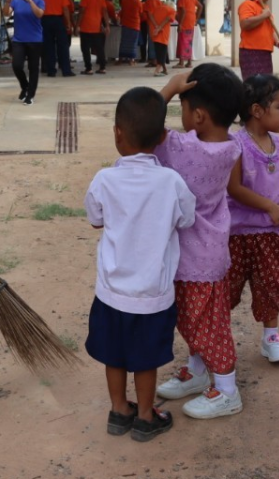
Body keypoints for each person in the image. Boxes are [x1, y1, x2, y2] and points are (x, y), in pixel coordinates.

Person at [84, 87, 196, 442]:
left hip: (112, 291)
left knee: (113, 354)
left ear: (117, 132)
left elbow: (95, 219)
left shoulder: (104, 179)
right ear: (163, 137)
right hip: (153, 294)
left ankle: (119, 411)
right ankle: (147, 416)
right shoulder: (171, 182)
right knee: (146, 359)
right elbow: (187, 219)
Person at [153, 65, 245, 419]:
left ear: (199, 115)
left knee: (205, 326)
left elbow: (143, 125)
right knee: (200, 320)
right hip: (209, 252)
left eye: (183, 108)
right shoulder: (230, 146)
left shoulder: (182, 149)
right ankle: (198, 370)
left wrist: (169, 88)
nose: (179, 114)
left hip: (193, 259)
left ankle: (226, 389)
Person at [226, 74, 279, 364]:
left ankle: (271, 336)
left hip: (268, 235)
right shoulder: (236, 144)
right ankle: (217, 334)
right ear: (257, 110)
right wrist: (269, 208)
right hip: (235, 235)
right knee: (227, 288)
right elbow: (233, 188)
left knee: (270, 284)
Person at [2, 0, 45, 104]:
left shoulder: (39, 1)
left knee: (33, 68)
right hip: (19, 40)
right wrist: (8, 1)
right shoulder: (16, 1)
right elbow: (6, 13)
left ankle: (30, 95)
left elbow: (39, 14)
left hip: (35, 40)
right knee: (16, 66)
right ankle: (25, 86)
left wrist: (30, 1)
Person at [237, 0, 279, 80]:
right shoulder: (247, 4)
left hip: (265, 52)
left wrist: (278, 42)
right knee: (253, 85)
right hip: (251, 52)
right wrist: (263, 16)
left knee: (266, 85)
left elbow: (269, 29)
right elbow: (244, 23)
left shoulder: (265, 8)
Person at [38, 0, 74, 78]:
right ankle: (66, 71)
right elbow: (66, 9)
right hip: (58, 20)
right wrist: (68, 23)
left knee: (48, 46)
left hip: (45, 21)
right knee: (63, 46)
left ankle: (51, 71)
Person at [77, 0, 110, 74]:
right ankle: (102, 67)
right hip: (97, 27)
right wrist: (107, 25)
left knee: (85, 48)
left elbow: (82, 11)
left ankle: (89, 68)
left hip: (86, 27)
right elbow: (104, 12)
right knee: (99, 48)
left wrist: (77, 25)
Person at [174, 0, 202, 69]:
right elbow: (200, 6)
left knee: (182, 41)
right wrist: (196, 18)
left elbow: (183, 11)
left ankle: (181, 62)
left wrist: (180, 24)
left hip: (185, 22)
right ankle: (189, 62)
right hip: (191, 22)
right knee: (188, 42)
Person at [148, 0, 175, 76]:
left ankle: (164, 69)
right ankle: (157, 70)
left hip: (154, 33)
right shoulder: (171, 10)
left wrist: (156, 26)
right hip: (163, 34)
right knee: (162, 53)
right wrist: (159, 28)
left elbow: (150, 15)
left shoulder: (157, 8)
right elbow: (168, 19)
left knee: (159, 51)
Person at [117, 0, 143, 65]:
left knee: (123, 42)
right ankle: (131, 60)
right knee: (133, 43)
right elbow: (141, 13)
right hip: (135, 25)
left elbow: (122, 12)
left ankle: (120, 59)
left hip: (125, 24)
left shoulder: (124, 2)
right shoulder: (138, 2)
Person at [143, 0, 164, 68]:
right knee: (157, 42)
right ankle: (157, 59)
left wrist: (154, 24)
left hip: (152, 24)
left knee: (151, 42)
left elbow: (149, 14)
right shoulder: (158, 1)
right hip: (158, 23)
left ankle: (153, 60)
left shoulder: (148, 2)